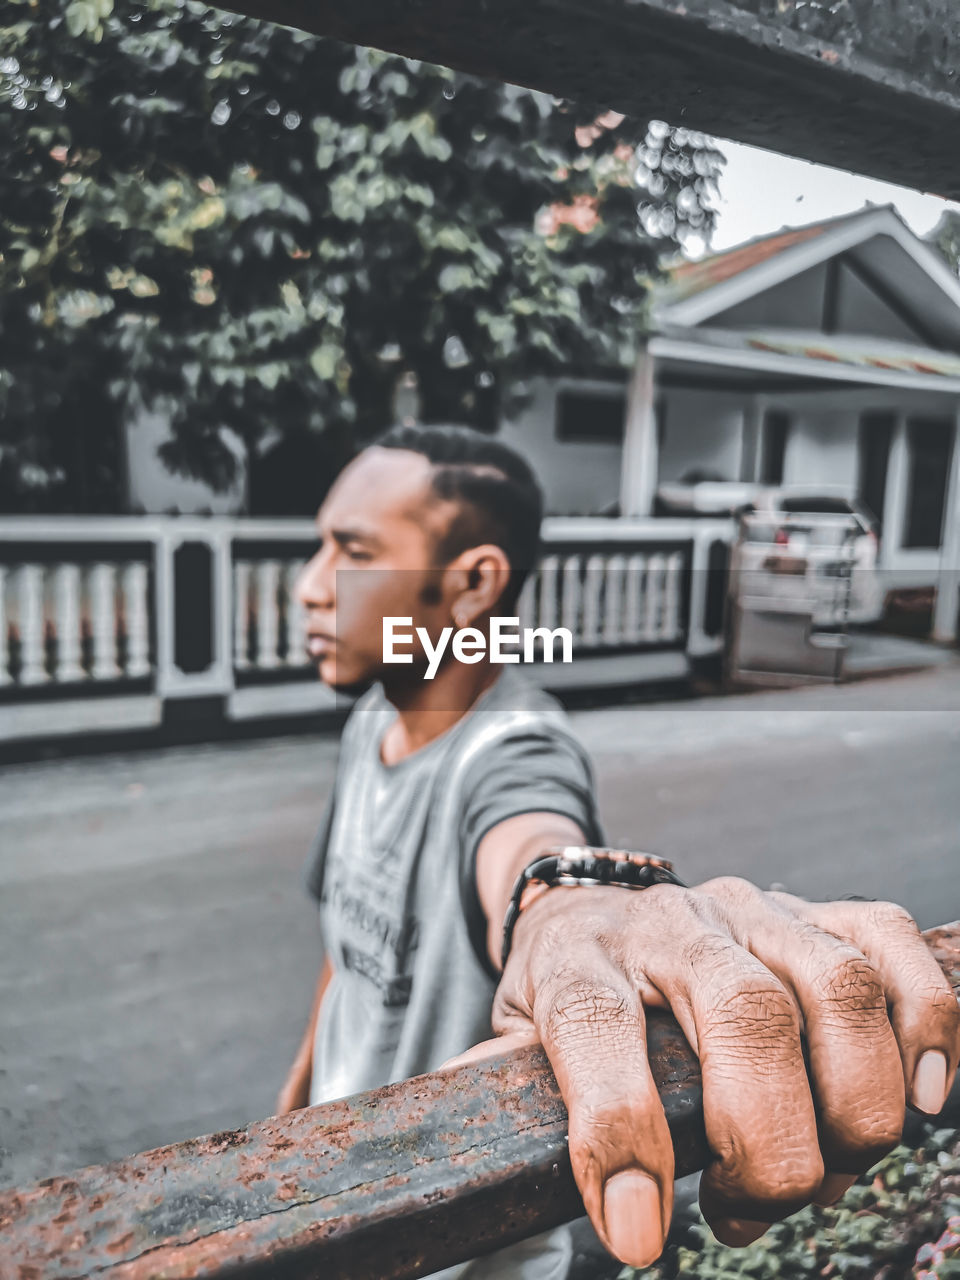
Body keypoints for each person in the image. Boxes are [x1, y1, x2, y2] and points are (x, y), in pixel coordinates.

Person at [276, 424, 958, 1278]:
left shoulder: (514, 748)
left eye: (352, 550)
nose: (308, 585)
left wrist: (576, 906)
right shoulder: (373, 717)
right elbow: (343, 956)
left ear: (471, 583)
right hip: (335, 1199)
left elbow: (537, 849)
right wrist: (296, 1107)